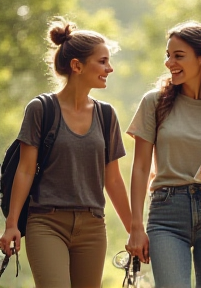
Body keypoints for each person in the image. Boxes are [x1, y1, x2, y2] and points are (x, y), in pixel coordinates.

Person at [0, 17, 131, 288]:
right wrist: (11, 224)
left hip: (93, 226)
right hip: (46, 223)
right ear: (77, 66)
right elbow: (25, 170)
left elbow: (114, 180)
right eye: (103, 61)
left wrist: (135, 230)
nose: (110, 68)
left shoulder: (106, 116)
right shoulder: (41, 109)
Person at [125, 20, 201, 288]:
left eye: (178, 56)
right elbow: (139, 168)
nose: (170, 62)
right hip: (166, 214)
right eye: (168, 55)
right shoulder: (154, 103)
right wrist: (136, 227)